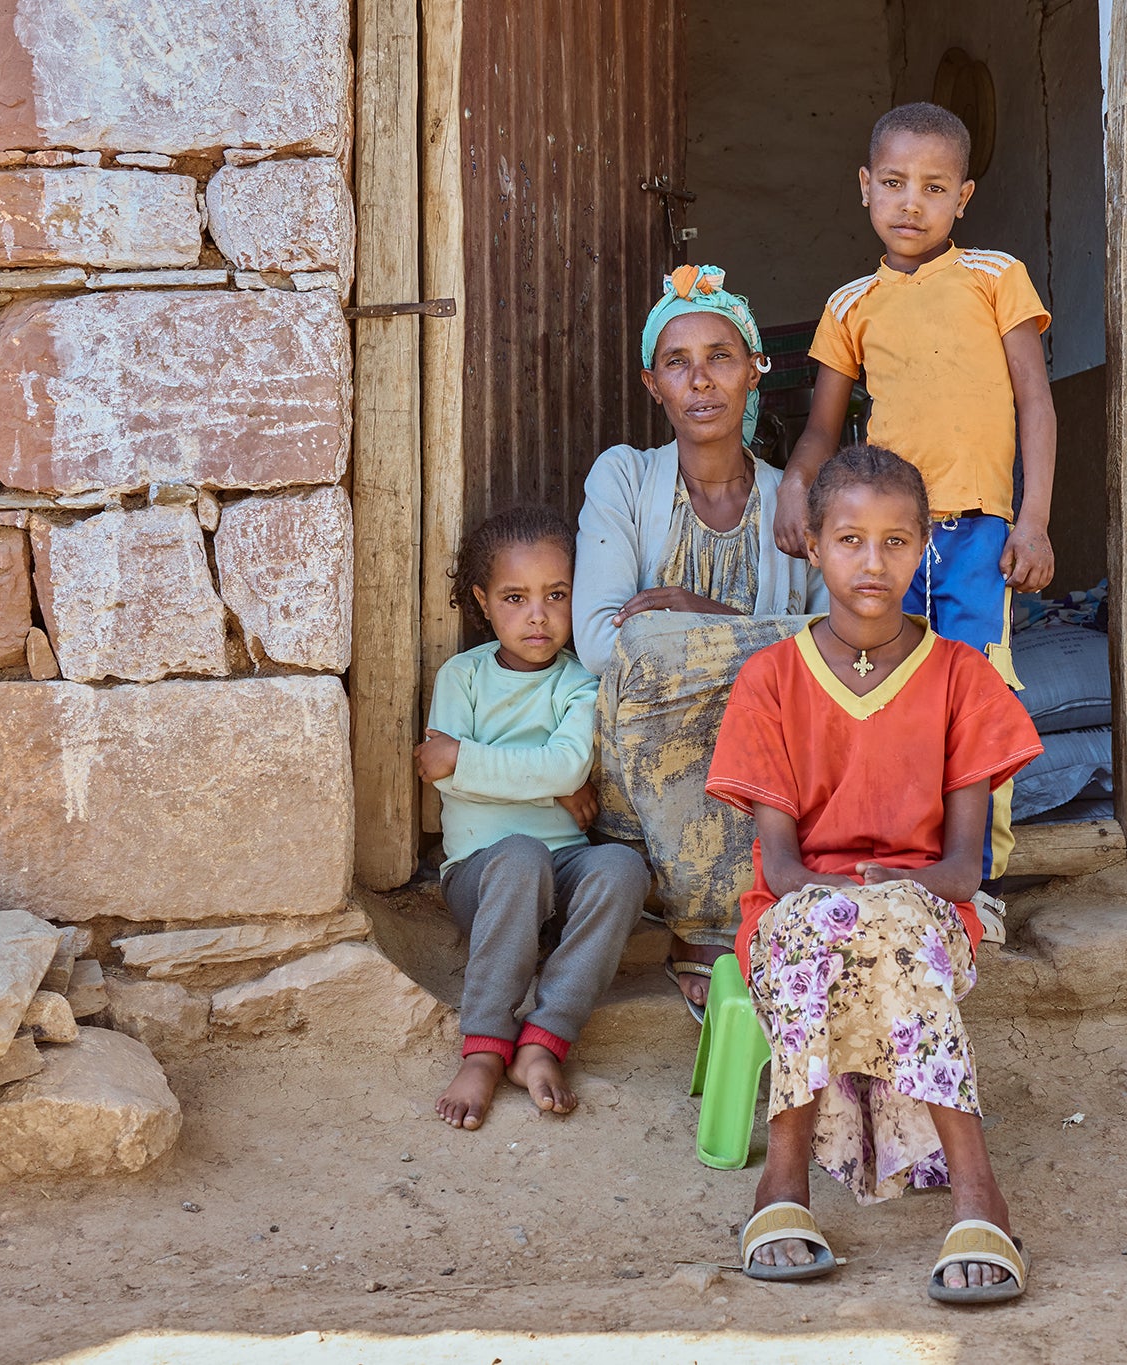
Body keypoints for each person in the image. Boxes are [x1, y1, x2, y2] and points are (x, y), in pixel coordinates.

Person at [708, 445, 1042, 1304]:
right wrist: (849, 895)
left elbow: (962, 870)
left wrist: (883, 895)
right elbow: (780, 867)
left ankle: (976, 1195)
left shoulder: (963, 679)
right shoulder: (772, 679)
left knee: (890, 923)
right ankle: (787, 1181)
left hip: (927, 914)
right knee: (833, 924)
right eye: (850, 539)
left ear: (925, 545)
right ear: (812, 544)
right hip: (796, 911)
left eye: (897, 541)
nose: (873, 562)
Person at [770, 101, 1058, 881]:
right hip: (887, 537)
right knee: (892, 687)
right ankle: (900, 856)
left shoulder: (996, 278)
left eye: (934, 187)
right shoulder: (850, 305)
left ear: (963, 197)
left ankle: (978, 876)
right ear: (865, 186)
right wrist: (798, 483)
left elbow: (1035, 399)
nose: (911, 202)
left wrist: (1032, 522)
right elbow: (823, 429)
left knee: (975, 692)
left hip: (977, 535)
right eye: (893, 182)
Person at [572, 264, 824, 1018]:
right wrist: (755, 643)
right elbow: (600, 645)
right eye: (678, 363)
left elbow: (835, 647)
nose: (702, 380)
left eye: (720, 356)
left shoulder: (794, 500)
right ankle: (706, 925)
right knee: (644, 648)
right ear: (654, 385)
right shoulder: (624, 477)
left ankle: (738, 912)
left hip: (764, 763)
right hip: (641, 780)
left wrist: (697, 611)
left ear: (755, 370)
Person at [417, 505, 650, 1130]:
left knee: (624, 868)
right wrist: (546, 784)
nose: (538, 615)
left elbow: (561, 769)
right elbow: (459, 790)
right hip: (483, 874)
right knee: (519, 854)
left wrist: (467, 760)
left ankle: (545, 1038)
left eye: (556, 595)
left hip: (566, 869)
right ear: (482, 601)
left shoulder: (579, 683)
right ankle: (486, 1046)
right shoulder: (461, 677)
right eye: (515, 597)